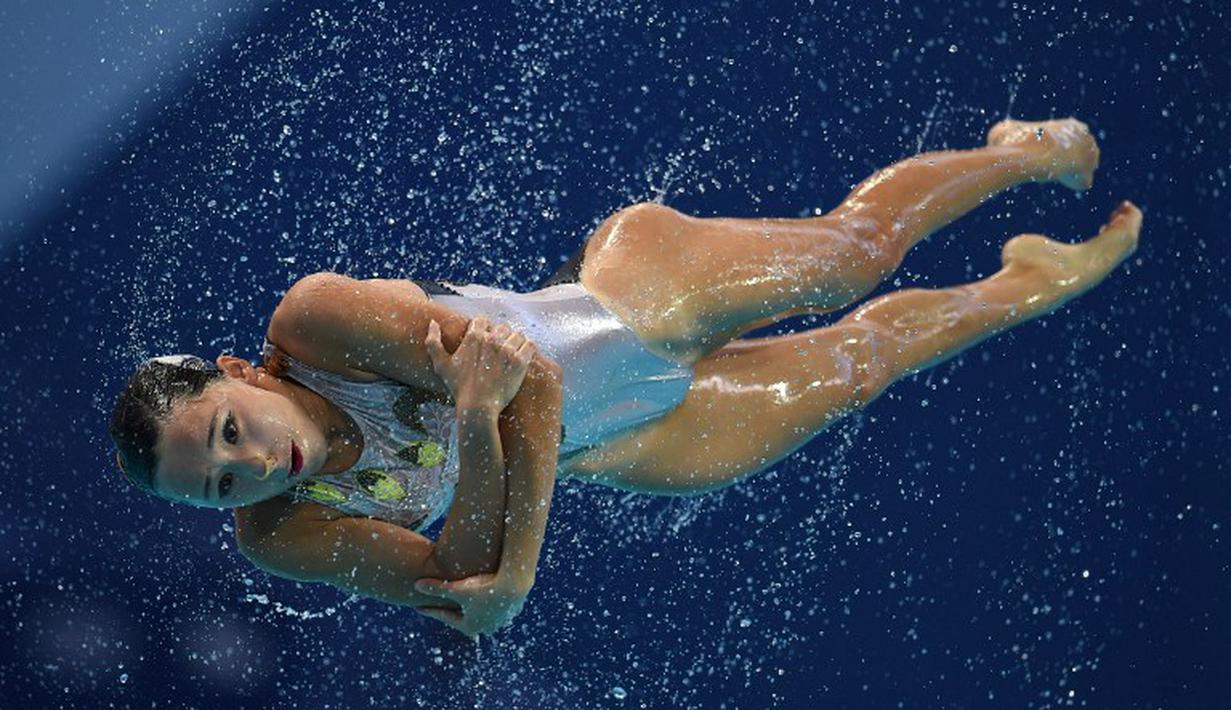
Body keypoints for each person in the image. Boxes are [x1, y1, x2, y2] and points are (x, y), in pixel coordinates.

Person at [109, 118, 1141, 637]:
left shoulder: (318, 318)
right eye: (215, 483)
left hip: (635, 301)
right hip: (632, 441)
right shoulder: (283, 535)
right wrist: (479, 458)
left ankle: (1014, 155)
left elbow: (534, 396)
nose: (247, 466)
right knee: (864, 361)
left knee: (857, 252)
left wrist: (510, 570)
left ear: (243, 369)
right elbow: (450, 572)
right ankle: (1029, 281)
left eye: (229, 429)